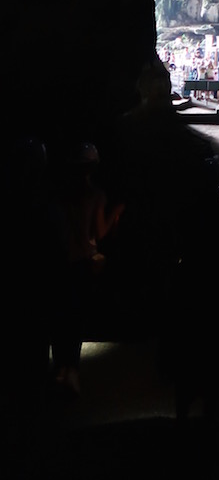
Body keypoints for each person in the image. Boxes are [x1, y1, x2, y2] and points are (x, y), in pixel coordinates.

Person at [50, 142, 125, 394]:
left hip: (60, 261)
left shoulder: (59, 194)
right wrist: (117, 211)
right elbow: (100, 232)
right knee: (76, 318)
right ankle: (72, 371)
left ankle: (59, 369)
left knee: (60, 317)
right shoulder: (96, 195)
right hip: (82, 263)